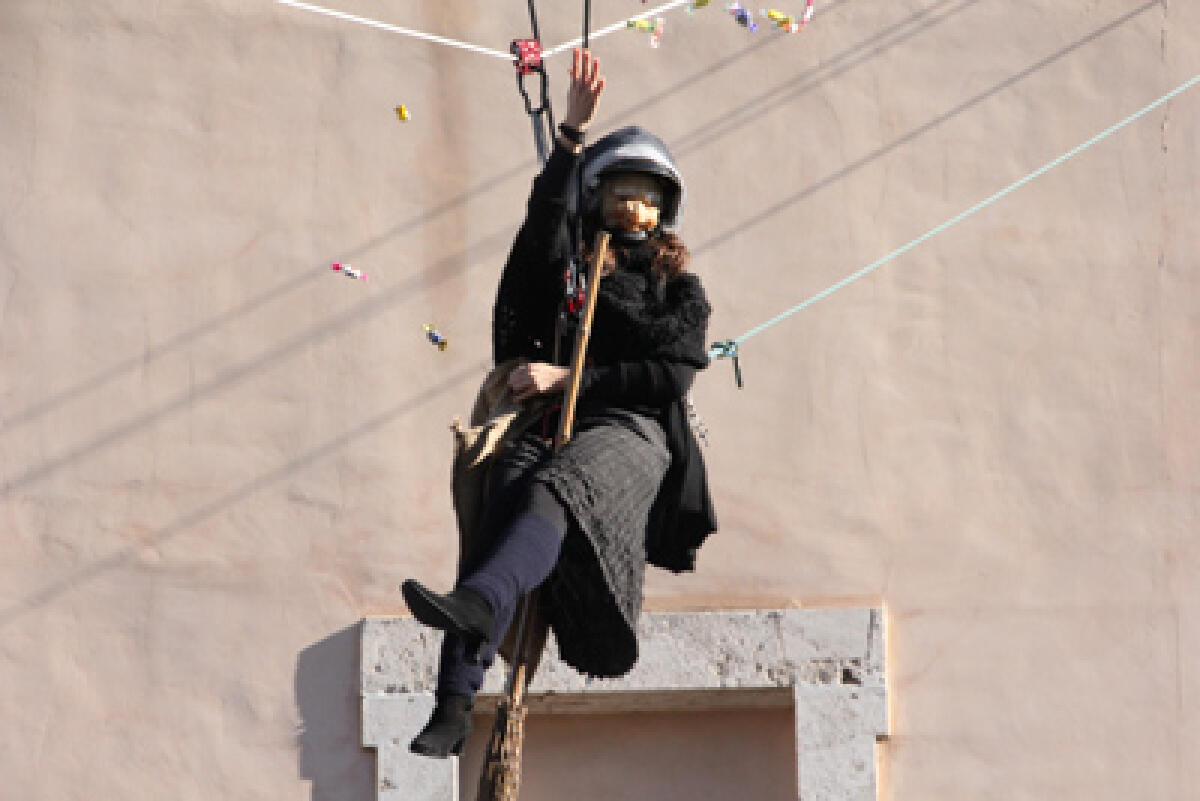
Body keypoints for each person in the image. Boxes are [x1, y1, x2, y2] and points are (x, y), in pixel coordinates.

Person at [401, 49, 717, 758]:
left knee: (555, 484)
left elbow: (668, 378)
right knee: (505, 495)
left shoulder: (678, 295)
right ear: (595, 198)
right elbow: (533, 252)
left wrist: (568, 383)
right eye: (618, 192)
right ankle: (453, 701)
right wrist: (569, 142)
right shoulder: (569, 272)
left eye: (646, 194)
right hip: (550, 422)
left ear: (663, 209)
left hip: (631, 433)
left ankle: (482, 610)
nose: (632, 207)